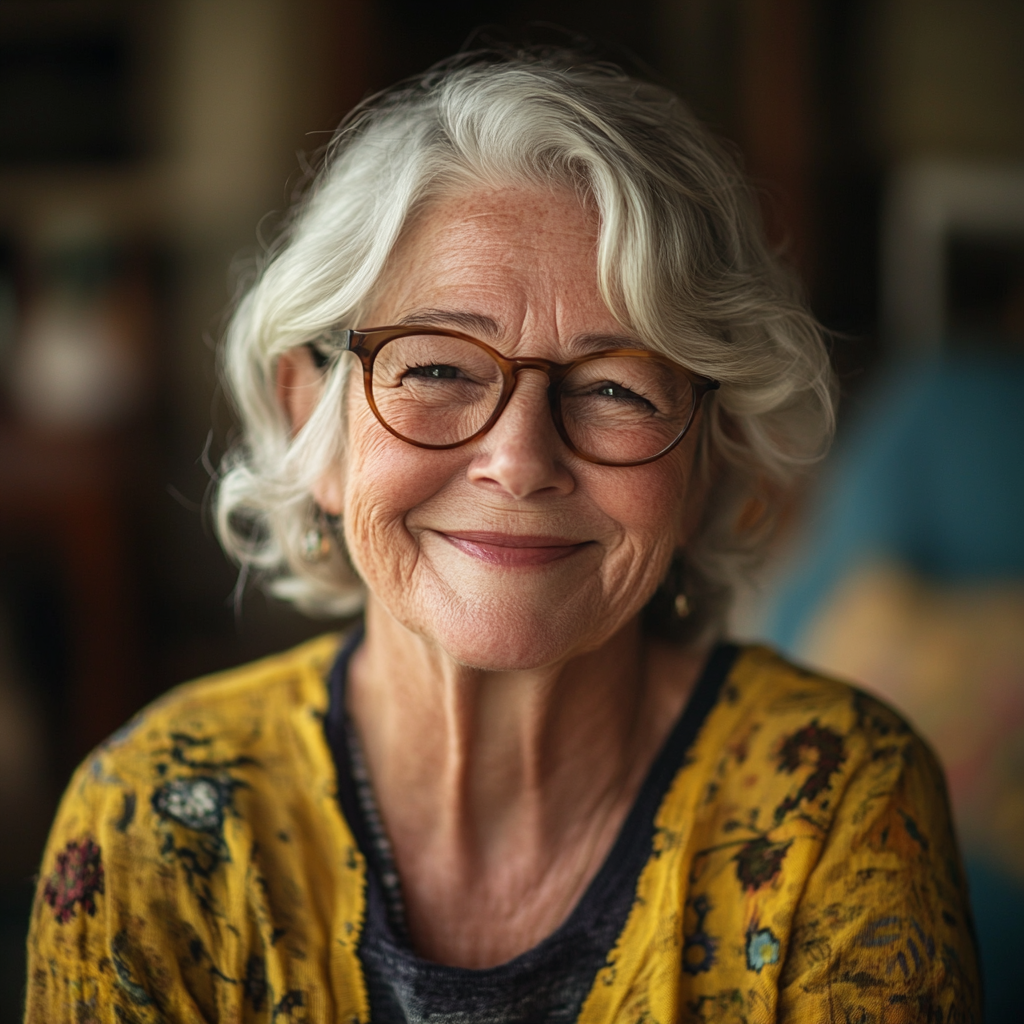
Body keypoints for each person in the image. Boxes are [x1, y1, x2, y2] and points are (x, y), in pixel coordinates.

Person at [25, 50, 980, 1023]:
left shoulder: (835, 802)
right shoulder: (152, 821)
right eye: (436, 369)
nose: (518, 460)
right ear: (315, 417)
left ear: (712, 460)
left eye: (615, 387)